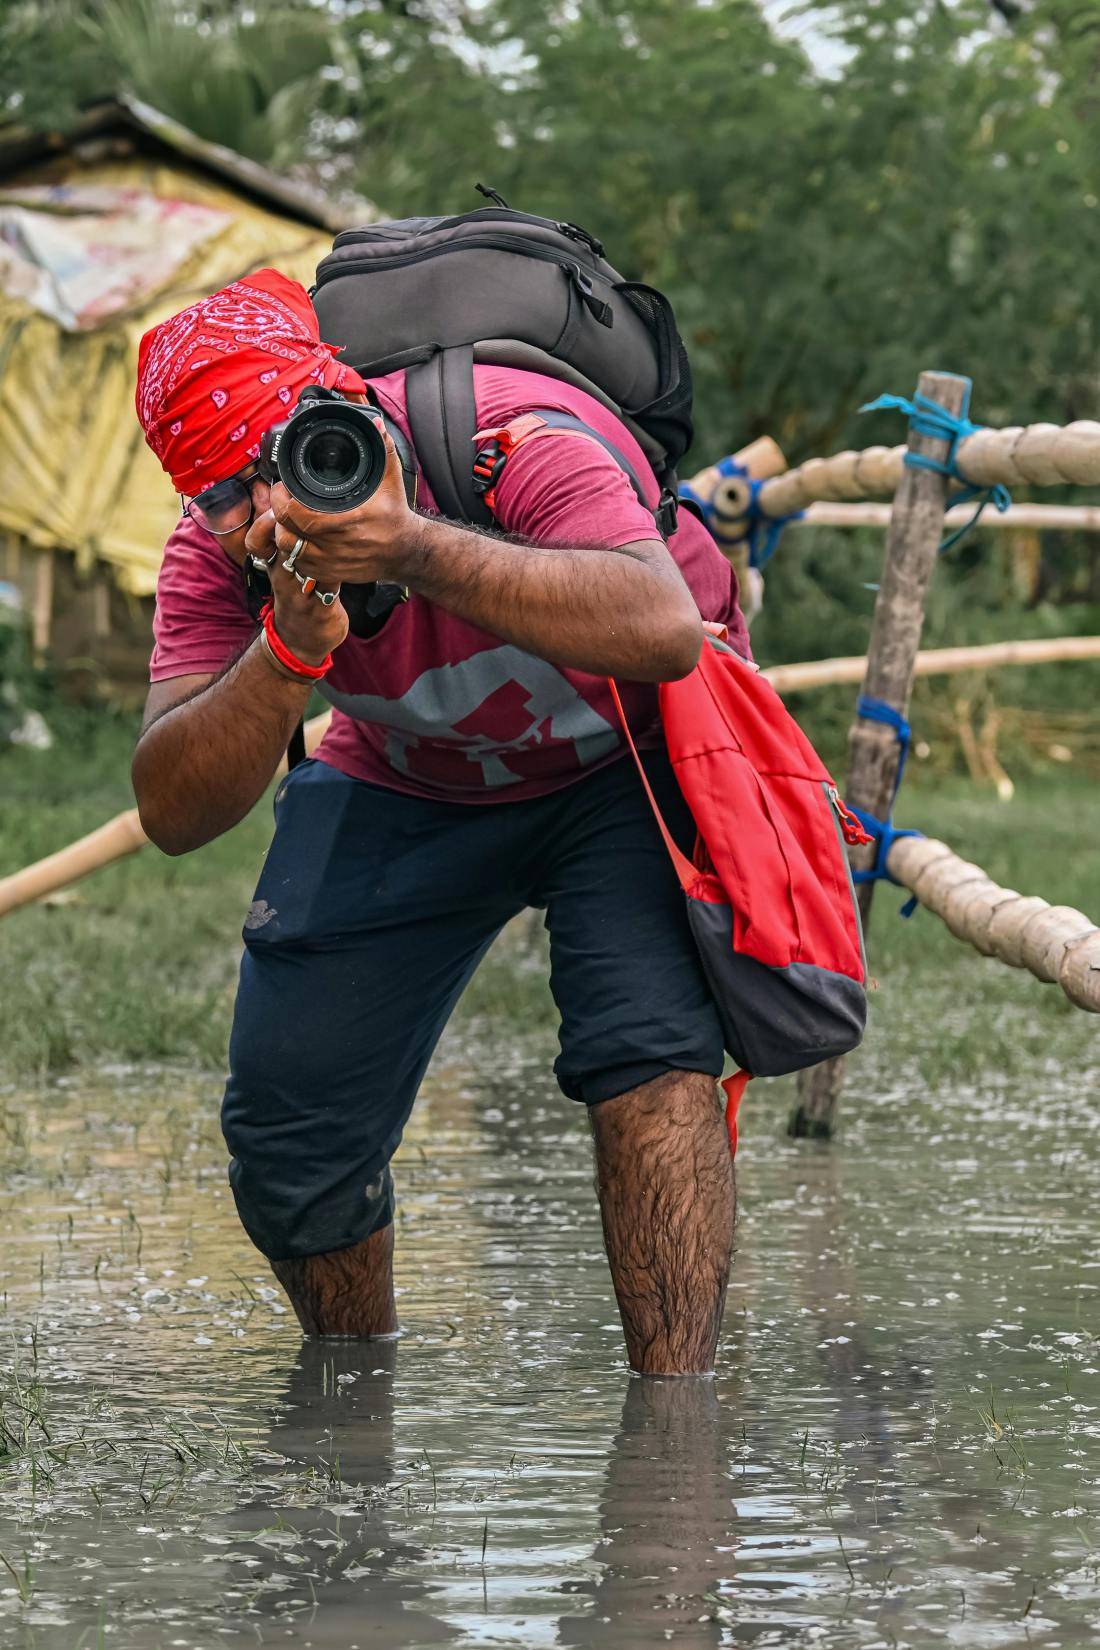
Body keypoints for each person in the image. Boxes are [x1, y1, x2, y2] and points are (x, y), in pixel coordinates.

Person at [133, 267, 748, 1376]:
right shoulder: (218, 557)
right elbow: (173, 811)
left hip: (621, 747)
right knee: (290, 1131)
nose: (269, 508)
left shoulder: (511, 435)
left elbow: (659, 627)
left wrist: (410, 546)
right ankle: (350, 1404)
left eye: (289, 459)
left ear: (345, 408)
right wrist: (285, 650)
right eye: (222, 492)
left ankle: (672, 1452)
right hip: (408, 768)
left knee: (647, 1067)